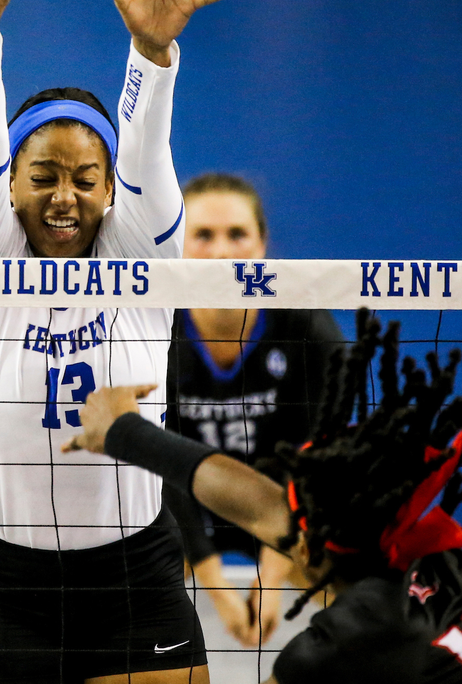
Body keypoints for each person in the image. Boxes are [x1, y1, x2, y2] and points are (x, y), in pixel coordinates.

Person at [0, 0, 231, 683]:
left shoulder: (141, 251)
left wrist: (151, 57)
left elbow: (148, 147)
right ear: (11, 185)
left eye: (85, 178)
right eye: (43, 175)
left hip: (134, 578)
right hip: (3, 582)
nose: (64, 196)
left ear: (110, 191)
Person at [63, 309, 462, 684]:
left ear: (305, 546)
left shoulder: (343, 641)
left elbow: (274, 514)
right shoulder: (448, 564)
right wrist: (128, 433)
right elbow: (263, 507)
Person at [164, 172, 346, 646]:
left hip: (280, 499)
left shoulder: (306, 324)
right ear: (176, 245)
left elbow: (310, 462)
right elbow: (160, 470)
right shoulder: (153, 329)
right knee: (133, 550)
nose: (222, 253)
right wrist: (219, 590)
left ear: (262, 243)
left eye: (237, 234)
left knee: (351, 566)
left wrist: (270, 579)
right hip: (188, 500)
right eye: (203, 235)